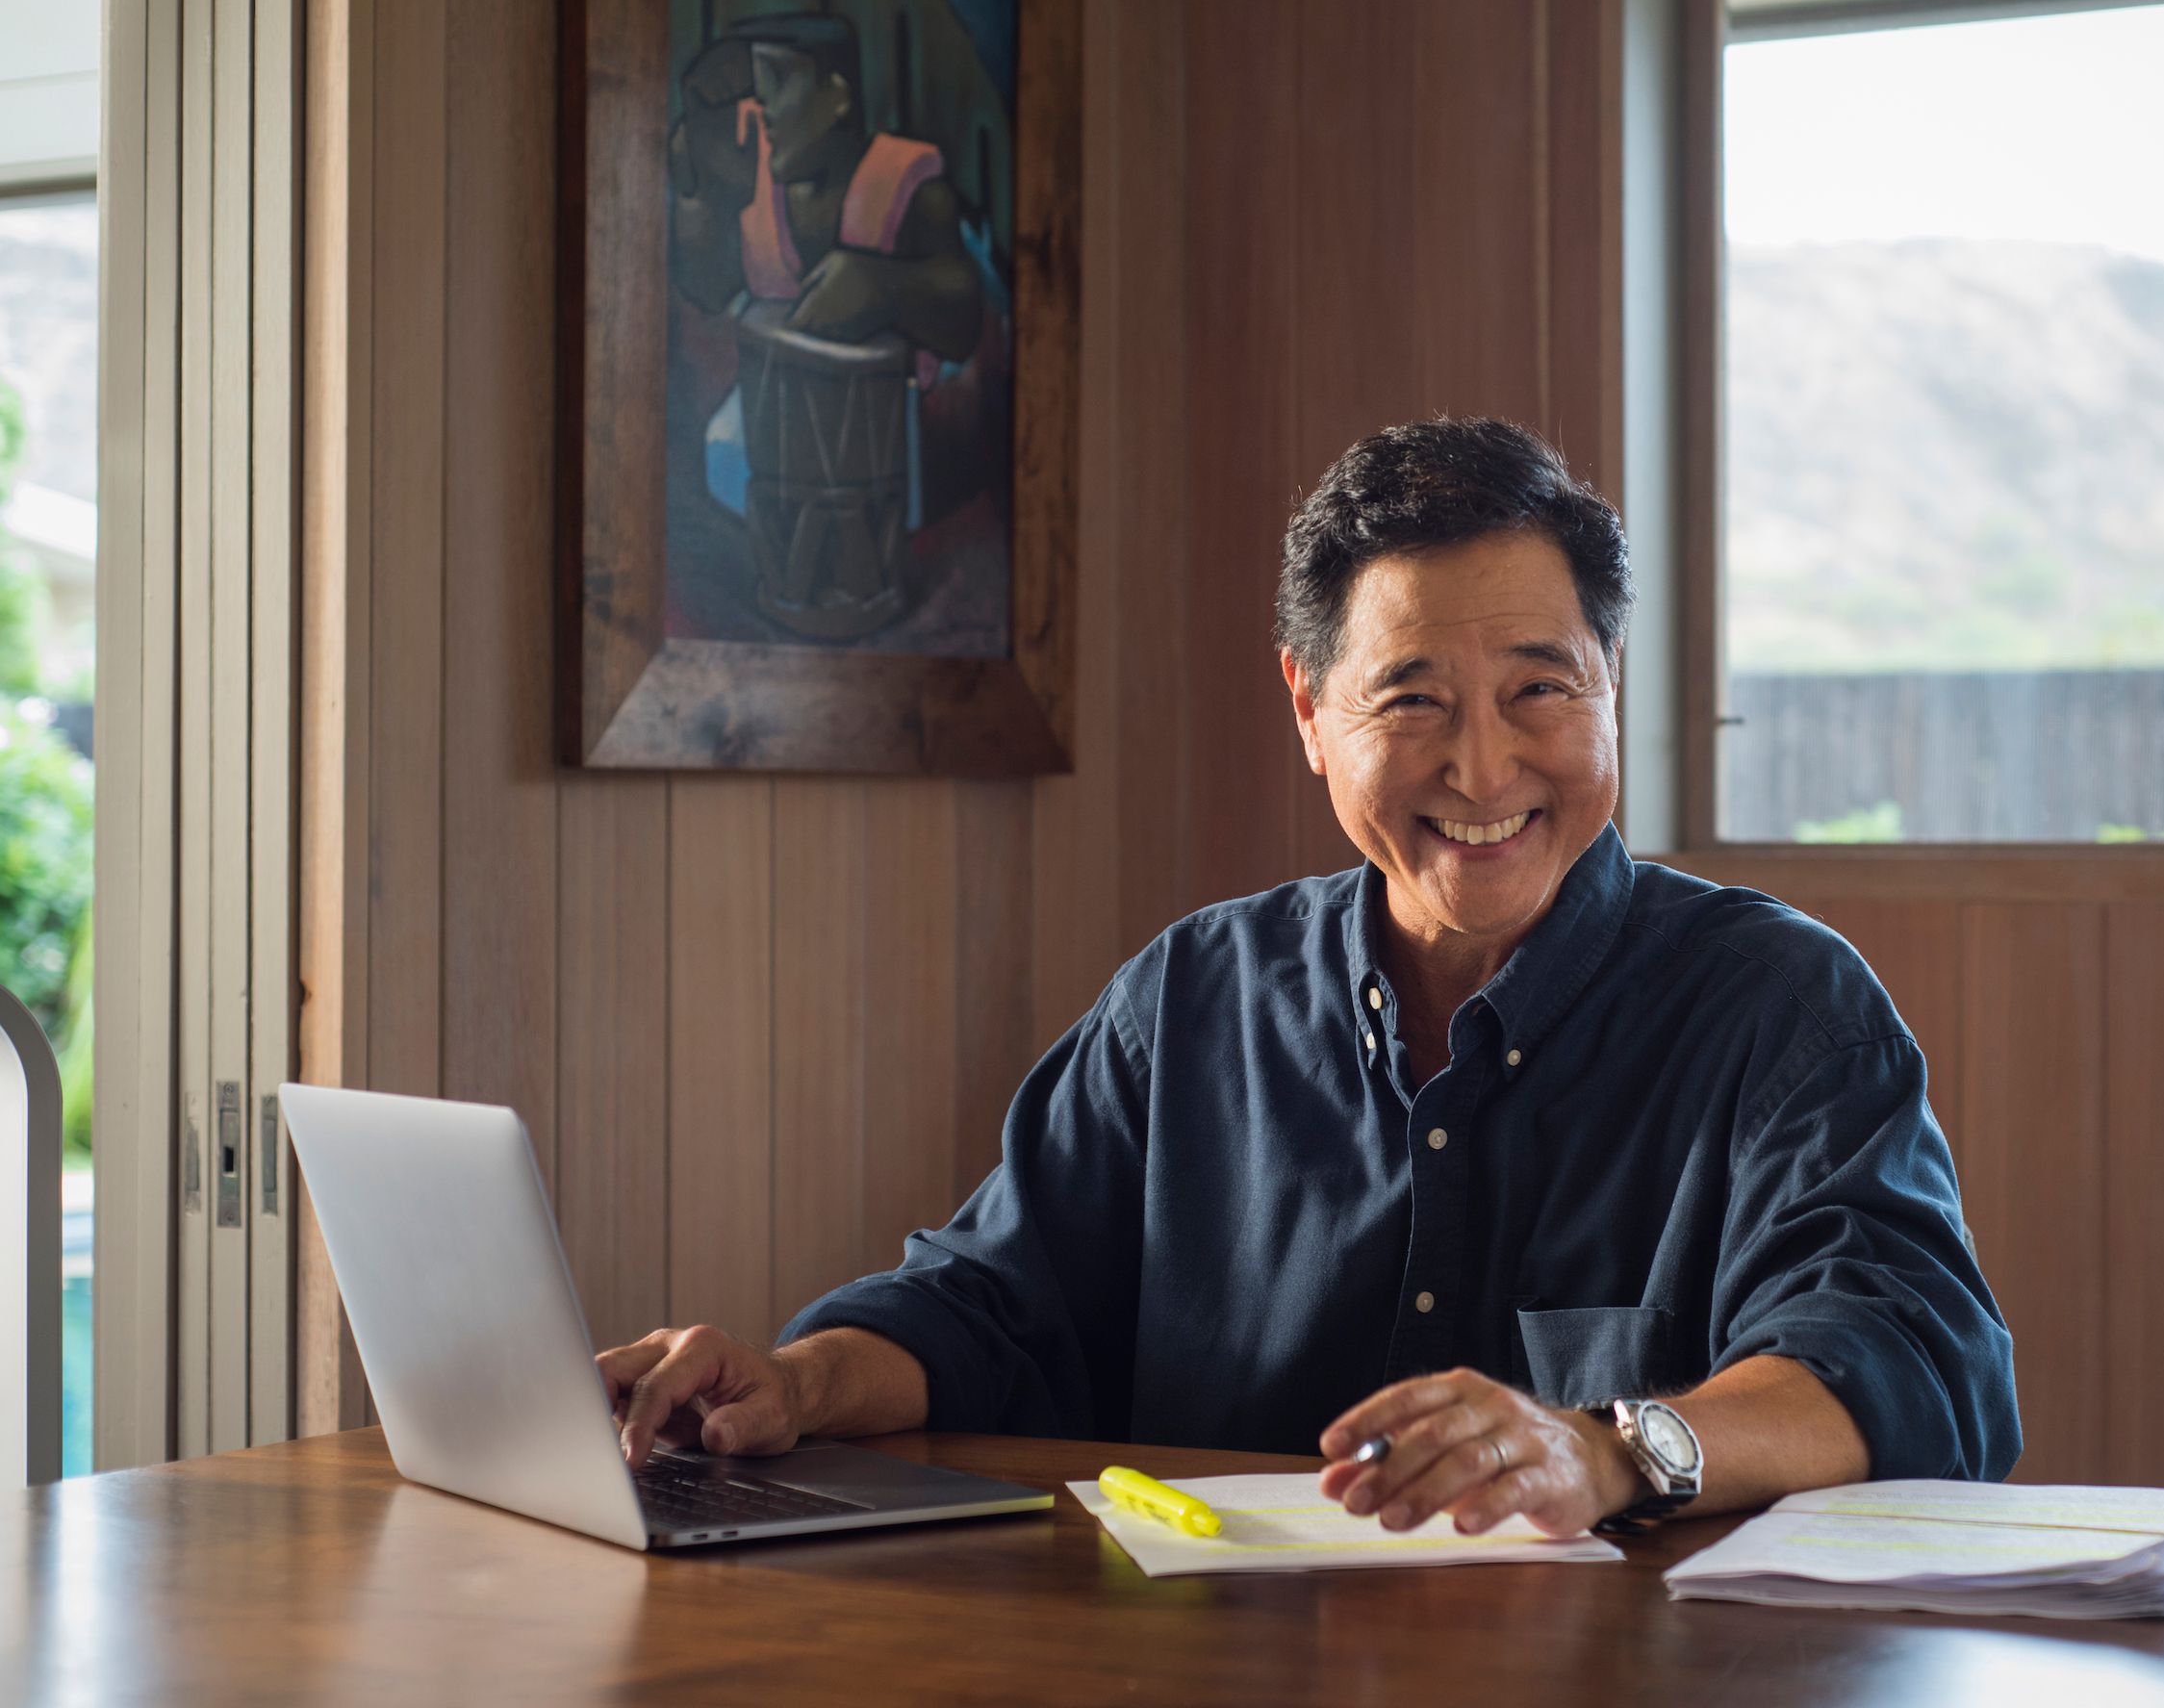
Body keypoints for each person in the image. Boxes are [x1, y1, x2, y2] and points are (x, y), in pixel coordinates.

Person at [600, 418, 2020, 1538]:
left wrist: (1604, 1446)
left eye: (1542, 688)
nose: (1484, 768)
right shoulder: (1191, 1001)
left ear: (1612, 687)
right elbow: (988, 1309)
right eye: (1412, 699)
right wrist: (793, 1386)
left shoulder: (1781, 1007)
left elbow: (1903, 1363)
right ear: (1308, 711)